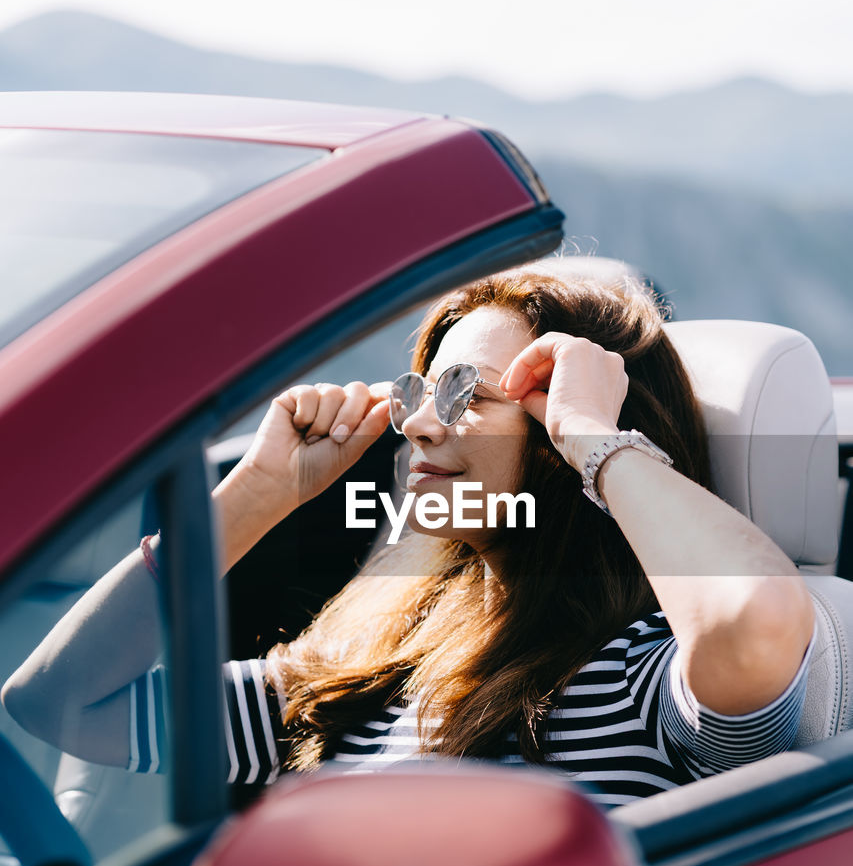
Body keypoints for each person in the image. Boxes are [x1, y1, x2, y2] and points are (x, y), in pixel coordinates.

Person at [2, 268, 816, 808]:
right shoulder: (363, 672)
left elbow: (758, 623)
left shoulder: (641, 680)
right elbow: (57, 704)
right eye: (419, 392)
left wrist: (590, 438)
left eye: (471, 396)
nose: (421, 423)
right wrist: (256, 494)